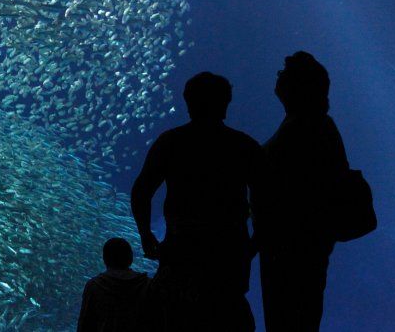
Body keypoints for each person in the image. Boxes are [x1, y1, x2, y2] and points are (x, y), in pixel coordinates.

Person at [130, 72, 263, 332]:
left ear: (188, 102)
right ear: (226, 103)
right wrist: (253, 245)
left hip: (181, 252)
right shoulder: (243, 146)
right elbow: (270, 201)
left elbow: (141, 191)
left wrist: (146, 234)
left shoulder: (171, 142)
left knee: (175, 318)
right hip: (229, 255)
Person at [257, 51, 349, 331]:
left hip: (293, 246)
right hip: (296, 244)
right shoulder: (313, 123)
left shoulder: (306, 126)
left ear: (299, 85)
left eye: (284, 72)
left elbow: (292, 191)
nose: (278, 76)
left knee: (290, 318)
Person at [77, 237, 150, 332]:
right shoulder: (148, 284)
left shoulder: (94, 286)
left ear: (104, 259)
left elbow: (85, 324)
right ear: (131, 257)